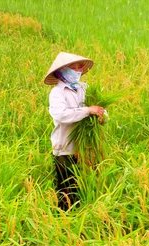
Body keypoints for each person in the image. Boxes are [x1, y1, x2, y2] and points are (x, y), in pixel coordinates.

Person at [43, 52, 105, 211]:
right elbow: (61, 114)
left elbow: (98, 109)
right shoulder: (57, 93)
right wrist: (87, 110)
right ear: (62, 70)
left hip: (84, 148)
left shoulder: (85, 89)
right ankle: (63, 220)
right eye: (73, 67)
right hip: (64, 148)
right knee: (66, 188)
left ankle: (81, 215)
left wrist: (101, 116)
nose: (78, 70)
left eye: (79, 67)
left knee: (82, 184)